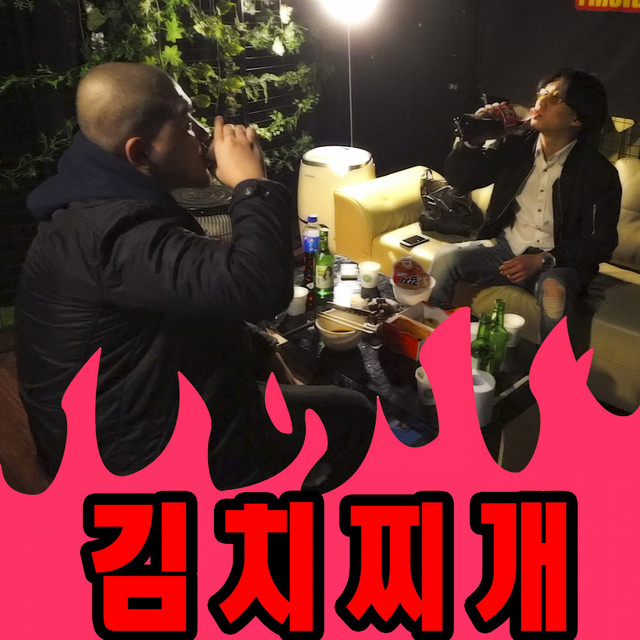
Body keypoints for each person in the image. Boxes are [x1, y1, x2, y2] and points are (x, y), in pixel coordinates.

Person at [16, 62, 374, 492]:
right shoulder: (116, 237)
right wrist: (251, 183)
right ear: (140, 154)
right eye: (187, 124)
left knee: (276, 373)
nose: (204, 134)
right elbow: (259, 288)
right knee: (353, 413)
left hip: (116, 421)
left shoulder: (91, 203)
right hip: (131, 458)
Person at [429, 68, 622, 341]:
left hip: (559, 261)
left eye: (555, 98)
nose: (541, 101)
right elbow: (462, 180)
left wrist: (543, 260)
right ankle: (429, 334)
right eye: (542, 93)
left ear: (577, 118)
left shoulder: (597, 173)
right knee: (447, 258)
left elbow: (600, 243)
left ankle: (553, 366)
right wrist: (472, 141)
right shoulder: (516, 145)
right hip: (508, 247)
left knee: (554, 291)